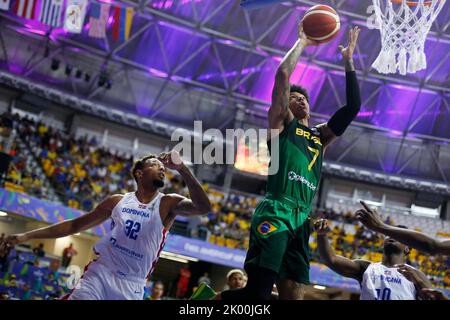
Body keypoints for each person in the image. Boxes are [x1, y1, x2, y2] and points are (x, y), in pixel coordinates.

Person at [195, 22, 361, 301]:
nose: (299, 100)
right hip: (277, 209)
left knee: (292, 297)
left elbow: (353, 107)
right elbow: (283, 74)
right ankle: (203, 303)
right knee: (257, 292)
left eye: (304, 98)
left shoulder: (321, 137)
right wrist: (303, 43)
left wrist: (349, 62)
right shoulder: (282, 125)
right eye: (294, 98)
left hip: (302, 219)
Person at [0, 150, 211, 300]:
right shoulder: (117, 201)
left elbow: (203, 207)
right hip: (101, 273)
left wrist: (182, 169)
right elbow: (74, 226)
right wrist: (24, 236)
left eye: (163, 167)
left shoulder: (167, 203)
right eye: (155, 165)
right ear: (140, 173)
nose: (162, 168)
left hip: (133, 284)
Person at [314, 219, 432, 300]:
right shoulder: (366, 268)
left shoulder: (416, 274)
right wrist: (322, 235)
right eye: (389, 234)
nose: (393, 236)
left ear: (408, 248)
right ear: (382, 244)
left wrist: (420, 283)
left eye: (400, 236)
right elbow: (331, 259)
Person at [356, 200, 450, 255]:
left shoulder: (415, 277)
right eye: (389, 236)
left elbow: (433, 246)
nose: (391, 238)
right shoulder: (367, 267)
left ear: (407, 248)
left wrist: (381, 226)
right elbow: (434, 246)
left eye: (398, 237)